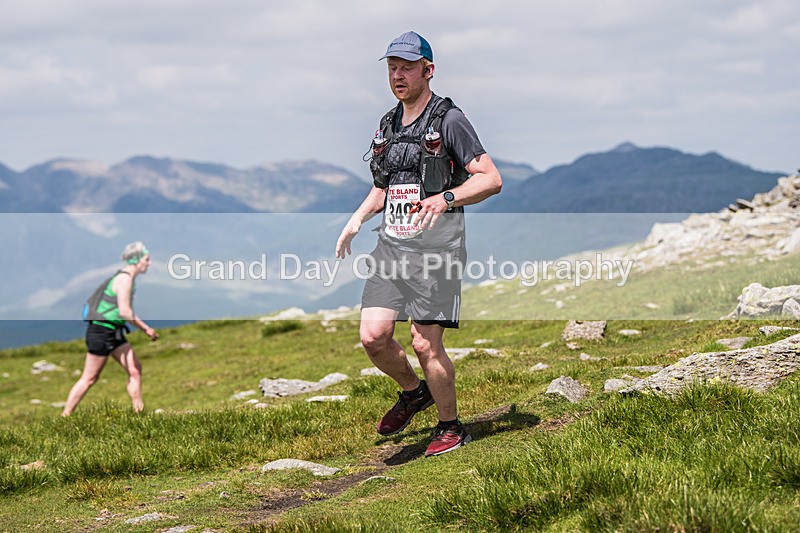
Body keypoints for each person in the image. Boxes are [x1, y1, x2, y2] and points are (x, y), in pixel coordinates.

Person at [335, 31, 502, 456]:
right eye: (392, 67)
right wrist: (356, 220)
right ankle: (414, 392)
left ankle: (451, 427)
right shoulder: (388, 125)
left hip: (437, 252)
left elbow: (490, 179)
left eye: (407, 67)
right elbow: (384, 187)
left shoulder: (449, 120)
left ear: (428, 70)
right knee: (373, 337)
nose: (397, 75)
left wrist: (446, 198)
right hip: (391, 248)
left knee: (425, 342)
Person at [62, 241, 158, 416]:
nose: (149, 263)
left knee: (135, 369)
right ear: (137, 260)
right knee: (90, 378)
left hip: (114, 332)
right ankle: (65, 415)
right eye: (147, 259)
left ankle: (139, 413)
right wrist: (146, 329)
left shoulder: (128, 278)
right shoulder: (124, 280)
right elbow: (125, 313)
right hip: (101, 332)